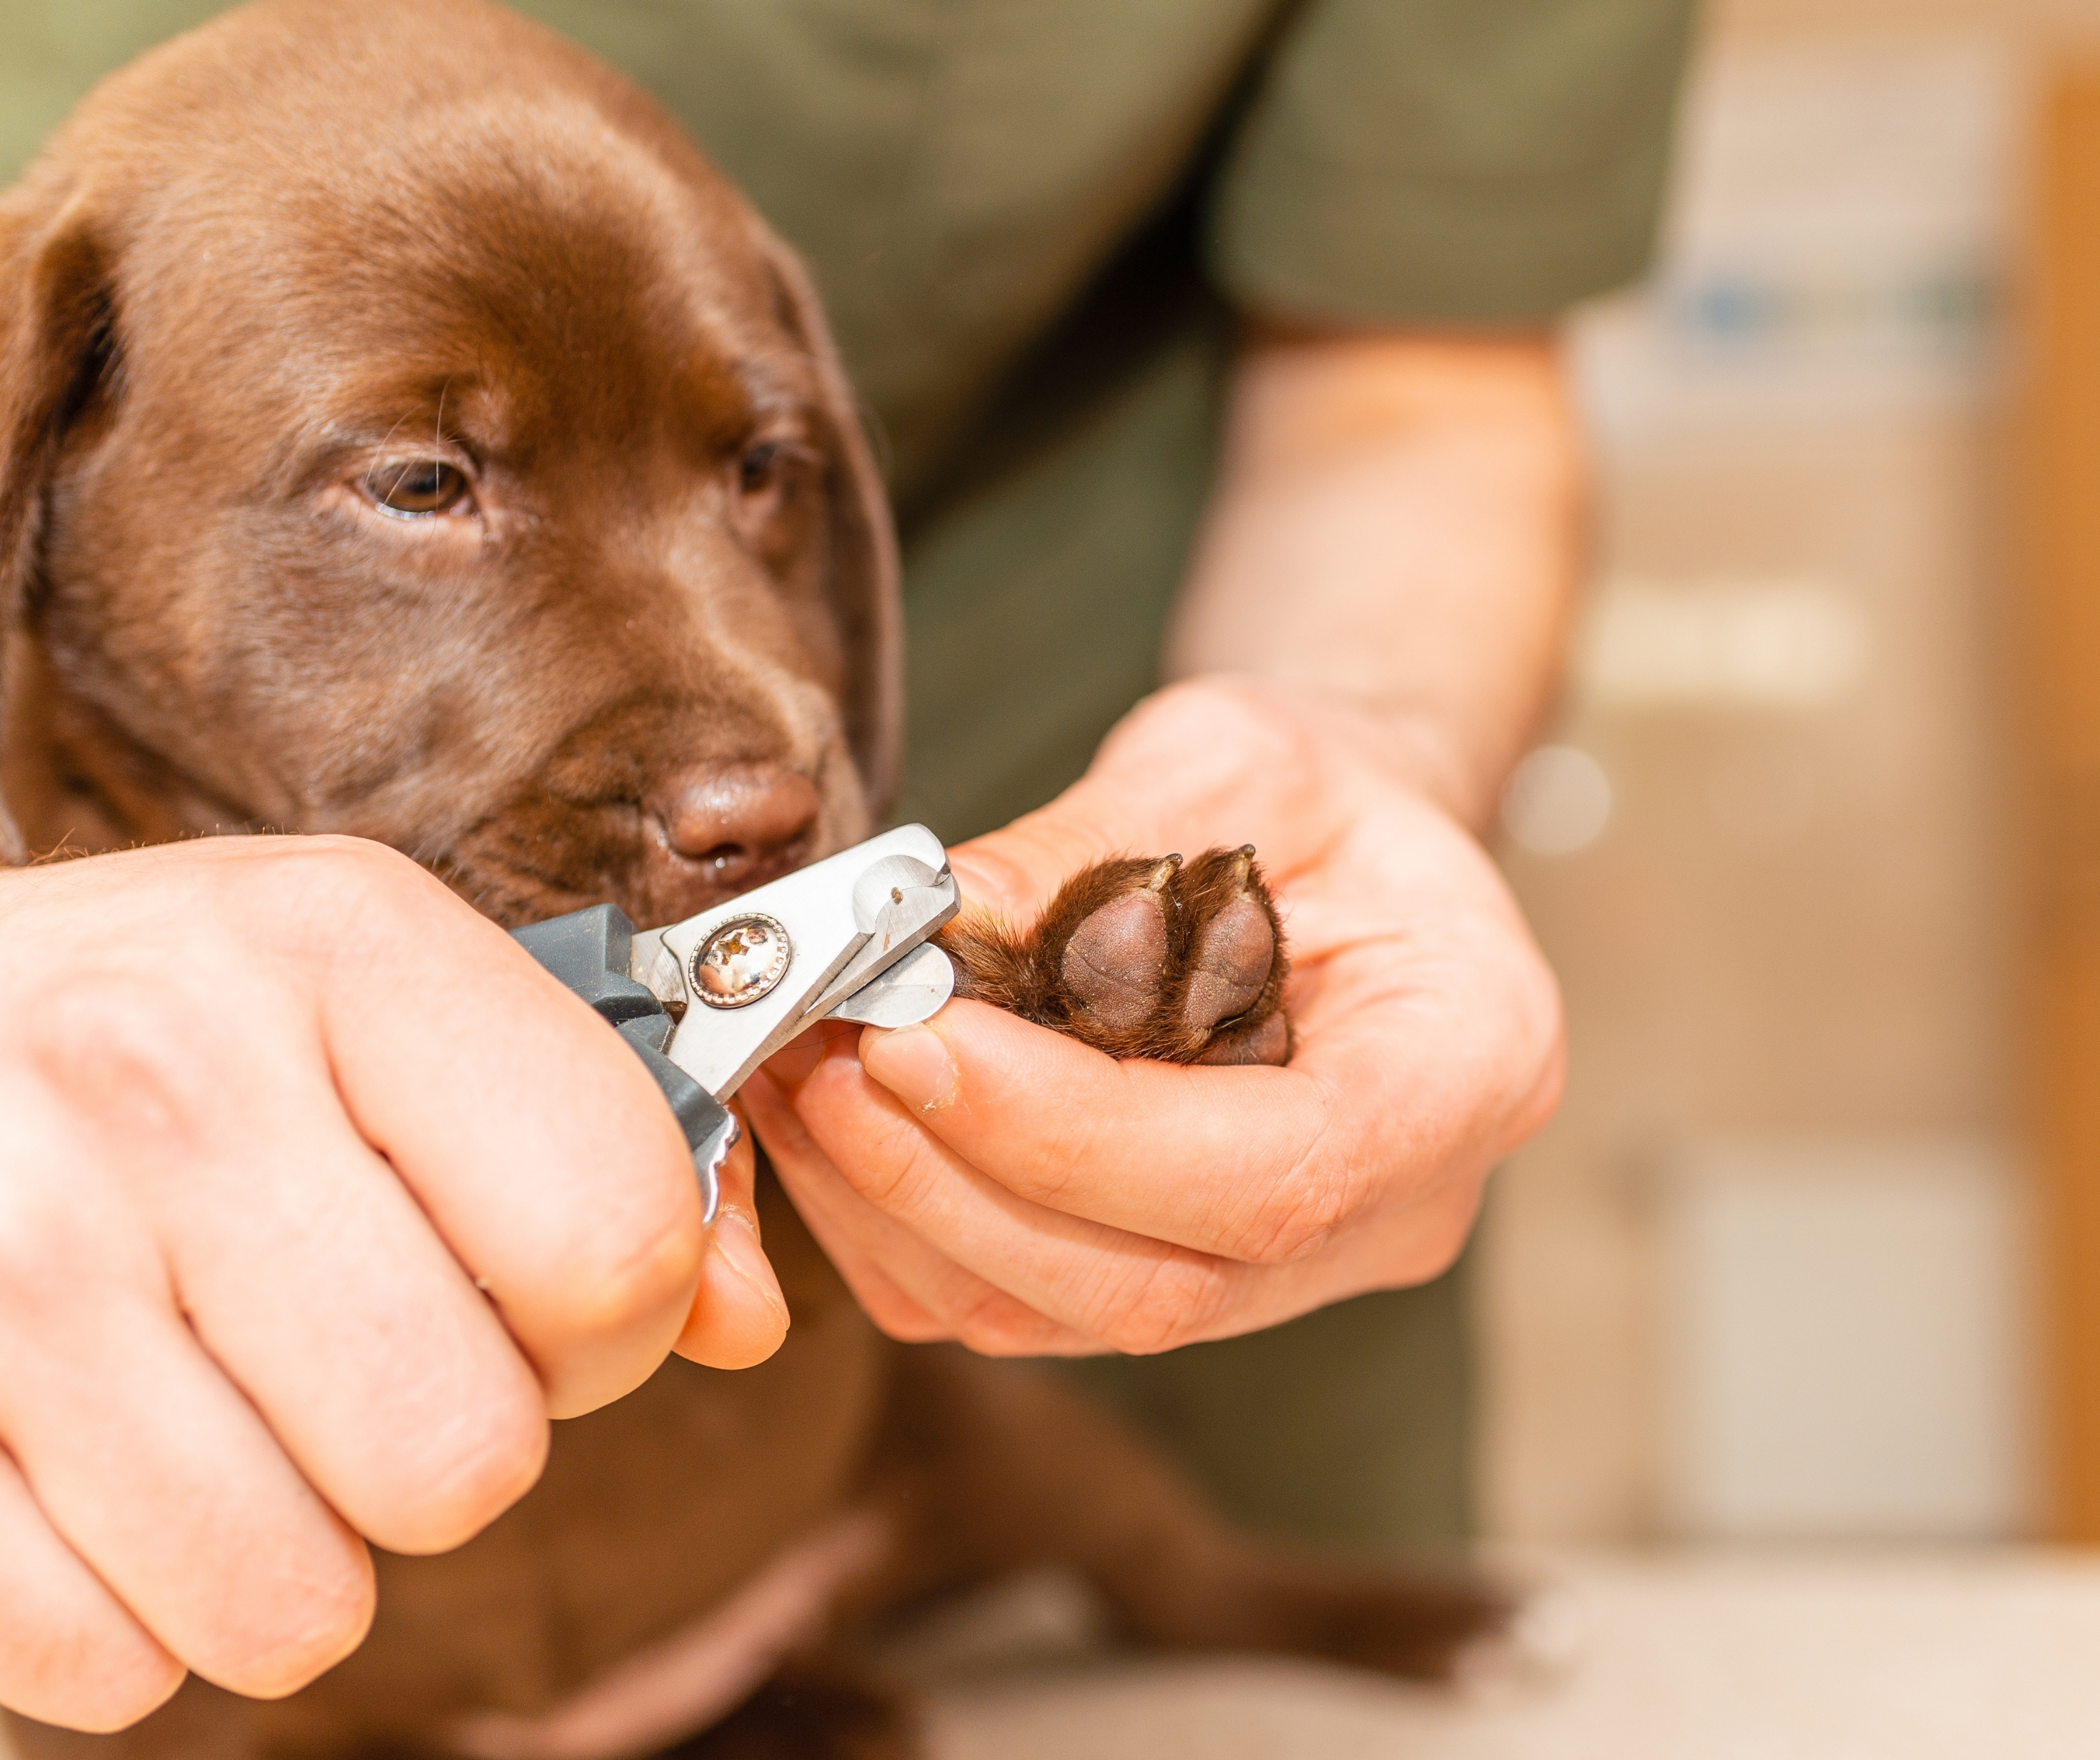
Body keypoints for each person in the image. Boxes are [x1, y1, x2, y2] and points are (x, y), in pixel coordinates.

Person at [0, 0, 1698, 1731]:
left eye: (757, 471)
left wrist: (1360, 759)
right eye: (424, 482)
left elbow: (1409, 385)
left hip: (925, 1430)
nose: (747, 763)